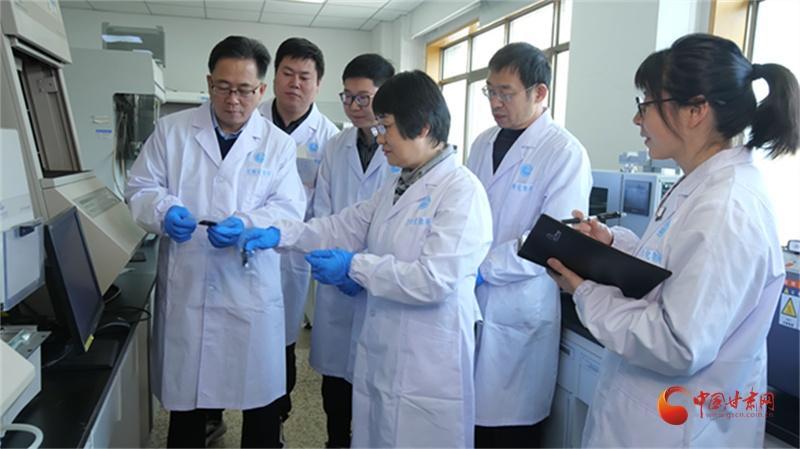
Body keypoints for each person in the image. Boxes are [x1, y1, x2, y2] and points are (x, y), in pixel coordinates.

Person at [546, 33, 798, 447]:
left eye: (645, 104)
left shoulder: (726, 208)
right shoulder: (700, 186)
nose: (637, 120)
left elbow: (677, 344)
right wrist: (611, 245)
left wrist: (586, 292)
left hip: (676, 428)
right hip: (652, 416)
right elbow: (673, 268)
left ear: (696, 110)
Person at [241, 70, 493, 447]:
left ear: (423, 127)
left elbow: (433, 280)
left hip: (428, 362)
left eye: (386, 127)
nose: (379, 137)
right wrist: (281, 234)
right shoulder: (399, 183)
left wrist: (354, 267)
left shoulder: (461, 192)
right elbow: (342, 226)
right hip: (385, 349)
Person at [125, 36, 305, 448]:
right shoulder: (172, 131)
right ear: (209, 83)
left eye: (244, 89)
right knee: (187, 404)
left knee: (259, 405)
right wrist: (164, 211)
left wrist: (246, 224)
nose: (233, 99)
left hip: (249, 289)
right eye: (223, 87)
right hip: (189, 284)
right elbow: (140, 187)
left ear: (261, 90)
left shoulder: (277, 145)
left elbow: (289, 208)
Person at [466, 42, 592, 448]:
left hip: (520, 308)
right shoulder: (482, 143)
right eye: (490, 91)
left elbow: (551, 238)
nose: (495, 103)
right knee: (468, 425)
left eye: (505, 93)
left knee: (509, 431)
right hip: (472, 299)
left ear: (540, 93)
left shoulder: (565, 152)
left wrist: (482, 268)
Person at [310, 53, 396, 448]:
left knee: (372, 384)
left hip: (380, 280)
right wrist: (342, 265)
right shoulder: (335, 146)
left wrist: (362, 268)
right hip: (337, 278)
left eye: (364, 97)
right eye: (348, 96)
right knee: (335, 383)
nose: (354, 106)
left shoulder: (402, 148)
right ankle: (334, 441)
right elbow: (324, 212)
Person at [255, 37, 339, 428]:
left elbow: (327, 206)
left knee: (283, 339)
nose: (295, 83)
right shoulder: (250, 121)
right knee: (236, 335)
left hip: (293, 257)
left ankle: (276, 417)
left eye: (304, 76)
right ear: (274, 78)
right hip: (247, 246)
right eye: (287, 73)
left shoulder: (330, 139)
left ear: (317, 85)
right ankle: (215, 414)